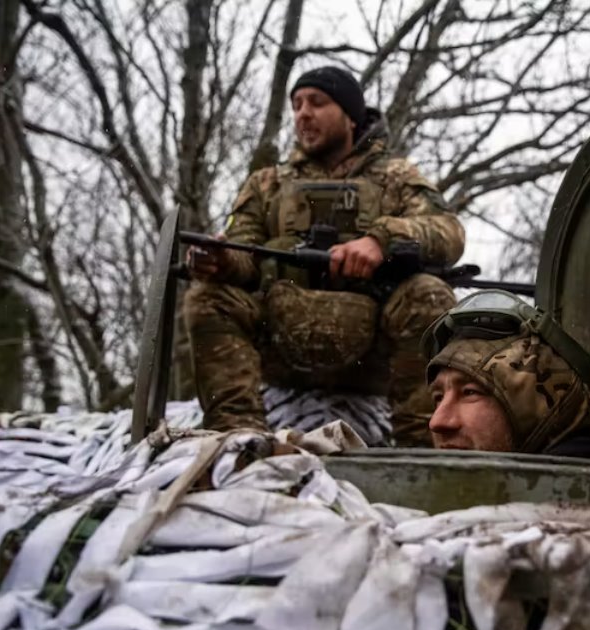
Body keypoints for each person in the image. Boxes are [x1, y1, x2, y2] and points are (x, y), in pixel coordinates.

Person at [184, 66, 465, 445]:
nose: (303, 114)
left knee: (429, 294)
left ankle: (421, 444)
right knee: (207, 295)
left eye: (317, 102)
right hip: (281, 349)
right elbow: (244, 254)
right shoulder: (267, 183)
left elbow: (448, 231)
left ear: (350, 116)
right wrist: (221, 261)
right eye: (297, 105)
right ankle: (238, 436)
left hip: (373, 356)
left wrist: (381, 240)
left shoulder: (396, 177)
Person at [421, 290, 590, 453]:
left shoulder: (588, 487)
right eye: (438, 397)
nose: (437, 422)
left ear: (539, 412)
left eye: (469, 392)